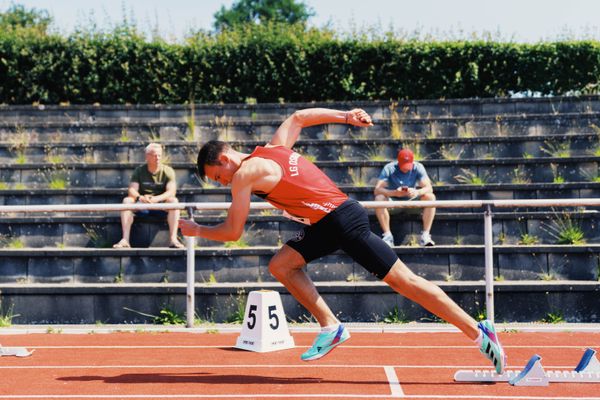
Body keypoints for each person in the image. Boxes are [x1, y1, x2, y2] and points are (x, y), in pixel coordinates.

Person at [178, 108, 506, 373]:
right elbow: (298, 118)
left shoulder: (244, 175)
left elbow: (233, 232)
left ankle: (479, 331)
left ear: (223, 160)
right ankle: (331, 326)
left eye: (218, 177)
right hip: (328, 222)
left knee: (405, 281)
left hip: (342, 220)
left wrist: (198, 230)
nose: (223, 183)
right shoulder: (274, 148)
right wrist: (347, 116)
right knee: (282, 265)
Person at [113, 143, 184, 249]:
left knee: (174, 201)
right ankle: (125, 240)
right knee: (127, 201)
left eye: (160, 155)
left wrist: (156, 199)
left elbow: (171, 191)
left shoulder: (168, 171)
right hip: (143, 204)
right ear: (147, 156)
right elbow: (132, 189)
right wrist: (140, 198)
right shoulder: (139, 171)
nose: (158, 158)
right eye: (155, 155)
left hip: (160, 205)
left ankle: (173, 239)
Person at [374, 148, 436, 247]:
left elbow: (429, 188)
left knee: (430, 197)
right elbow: (377, 190)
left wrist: (417, 192)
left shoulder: (418, 167)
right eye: (403, 165)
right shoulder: (389, 168)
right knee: (379, 198)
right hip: (394, 202)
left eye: (408, 166)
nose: (406, 169)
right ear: (398, 162)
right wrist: (394, 193)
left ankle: (425, 235)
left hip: (412, 202)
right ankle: (387, 236)